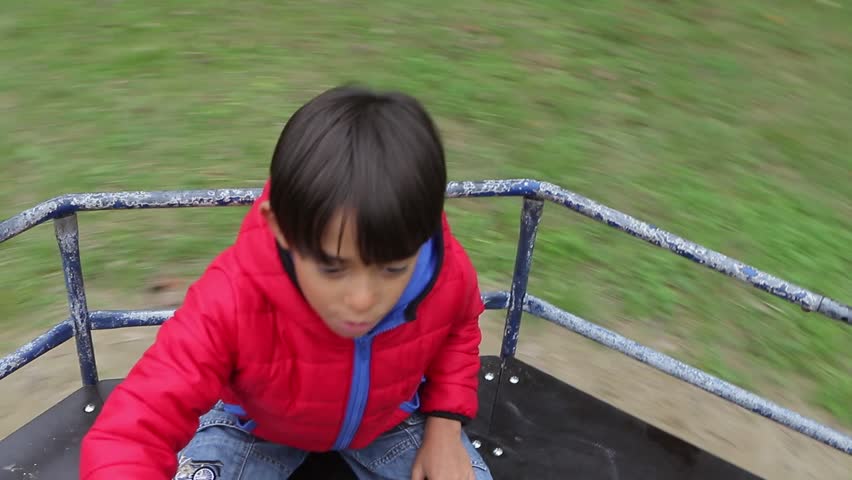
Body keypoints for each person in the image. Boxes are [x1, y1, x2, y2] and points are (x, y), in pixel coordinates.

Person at [79, 85, 493, 480]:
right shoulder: (233, 295)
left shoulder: (442, 268)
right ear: (280, 229)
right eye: (332, 267)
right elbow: (133, 429)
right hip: (255, 426)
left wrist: (445, 426)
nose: (364, 300)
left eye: (392, 269)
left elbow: (458, 328)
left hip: (388, 423)